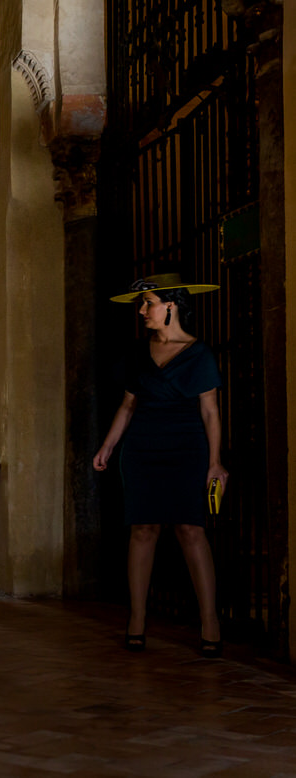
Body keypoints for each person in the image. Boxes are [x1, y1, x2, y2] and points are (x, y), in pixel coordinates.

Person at [93, 273, 227, 657]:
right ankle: (137, 619)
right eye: (141, 304)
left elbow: (211, 412)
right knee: (142, 529)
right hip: (141, 449)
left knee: (191, 530)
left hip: (188, 449)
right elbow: (128, 405)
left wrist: (215, 463)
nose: (142, 311)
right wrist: (107, 447)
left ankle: (209, 619)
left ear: (171, 304)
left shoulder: (200, 353)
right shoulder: (138, 352)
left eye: (147, 302)